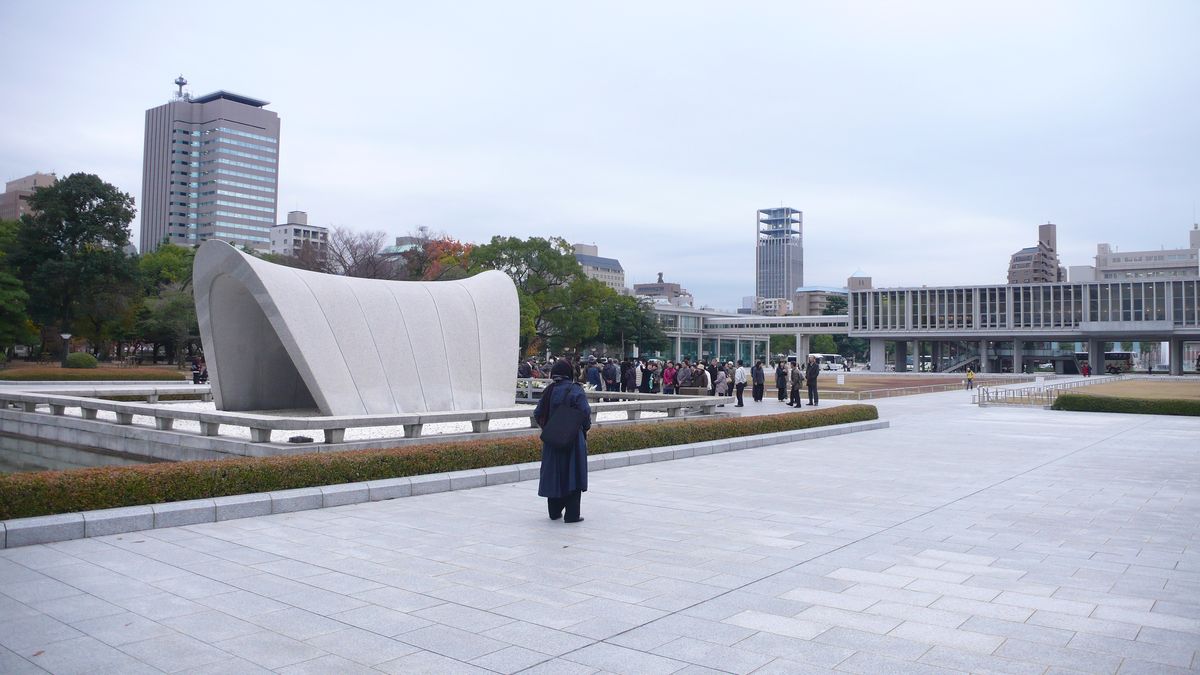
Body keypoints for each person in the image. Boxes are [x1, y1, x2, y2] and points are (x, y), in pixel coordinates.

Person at [535, 359, 590, 523]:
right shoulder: (576, 390)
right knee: (574, 473)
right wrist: (584, 429)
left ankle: (554, 511)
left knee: (553, 473)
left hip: (552, 440)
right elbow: (585, 412)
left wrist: (549, 428)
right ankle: (572, 514)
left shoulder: (549, 391)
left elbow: (538, 413)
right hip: (573, 440)